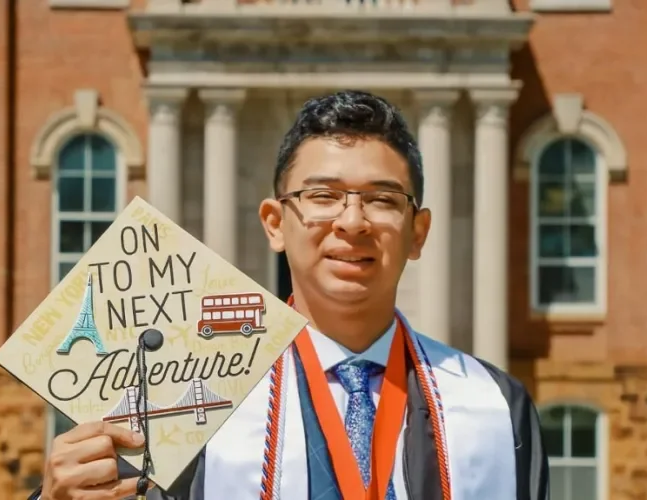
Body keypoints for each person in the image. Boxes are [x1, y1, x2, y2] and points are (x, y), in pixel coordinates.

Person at [31, 90, 550, 500]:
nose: (351, 222)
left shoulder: (494, 407)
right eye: (321, 196)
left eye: (382, 200)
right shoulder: (184, 397)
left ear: (418, 232)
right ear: (275, 225)